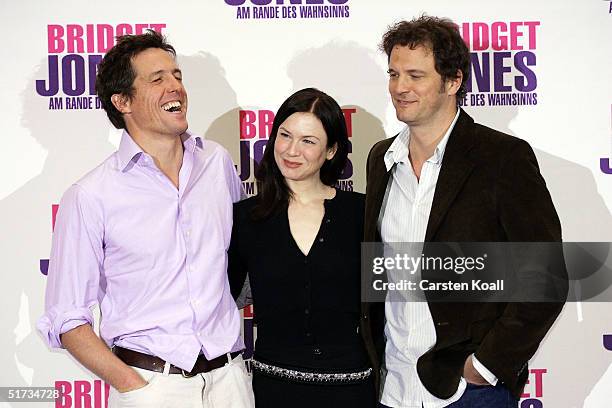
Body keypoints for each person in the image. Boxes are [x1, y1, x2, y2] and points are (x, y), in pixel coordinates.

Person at [37, 30, 254, 407]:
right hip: (154, 386)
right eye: (158, 79)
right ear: (122, 101)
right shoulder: (90, 196)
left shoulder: (217, 164)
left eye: (177, 76)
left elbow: (243, 262)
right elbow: (67, 318)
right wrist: (135, 387)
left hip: (231, 381)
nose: (176, 87)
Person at [360, 16, 566, 408]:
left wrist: (485, 366)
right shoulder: (381, 158)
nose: (400, 88)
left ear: (453, 81)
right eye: (393, 73)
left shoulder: (502, 158)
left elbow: (546, 277)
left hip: (467, 390)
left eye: (416, 75)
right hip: (394, 385)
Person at [228, 88, 376, 407]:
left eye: (308, 141)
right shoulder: (245, 218)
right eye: (285, 135)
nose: (292, 151)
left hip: (352, 392)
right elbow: (221, 299)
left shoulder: (363, 214)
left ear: (332, 150)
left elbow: (391, 305)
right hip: (273, 391)